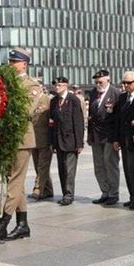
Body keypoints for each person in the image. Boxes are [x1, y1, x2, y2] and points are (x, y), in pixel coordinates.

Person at [0, 47, 42, 241]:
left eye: (14, 62)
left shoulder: (32, 85)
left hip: (22, 139)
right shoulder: (5, 83)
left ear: (24, 64)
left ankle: (3, 223)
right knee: (15, 181)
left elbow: (25, 110)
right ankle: (22, 224)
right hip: (8, 137)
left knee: (14, 181)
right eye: (9, 61)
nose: (10, 65)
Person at [49, 76, 84, 206]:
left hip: (71, 140)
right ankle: (65, 193)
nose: (56, 87)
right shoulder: (53, 101)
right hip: (58, 141)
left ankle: (69, 195)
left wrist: (79, 143)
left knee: (69, 170)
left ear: (65, 86)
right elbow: (51, 123)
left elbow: (78, 122)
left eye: (59, 85)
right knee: (61, 169)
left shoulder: (73, 100)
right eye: (55, 85)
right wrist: (52, 142)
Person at [88, 70, 121, 205]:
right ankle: (105, 191)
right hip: (96, 135)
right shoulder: (93, 93)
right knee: (99, 165)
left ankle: (113, 193)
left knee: (110, 164)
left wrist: (117, 138)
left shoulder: (116, 93)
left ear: (108, 80)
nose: (98, 84)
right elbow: (91, 115)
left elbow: (118, 117)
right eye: (96, 82)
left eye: (100, 81)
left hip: (109, 135)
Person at [114, 71, 134, 209]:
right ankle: (133, 196)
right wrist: (116, 139)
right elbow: (118, 120)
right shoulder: (122, 98)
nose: (126, 85)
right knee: (127, 168)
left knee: (133, 168)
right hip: (124, 138)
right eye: (124, 83)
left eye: (129, 83)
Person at [28, 87, 54, 201]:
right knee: (37, 166)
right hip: (33, 139)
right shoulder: (30, 100)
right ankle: (48, 190)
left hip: (45, 139)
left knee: (42, 166)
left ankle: (38, 189)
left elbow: (52, 120)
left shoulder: (47, 100)